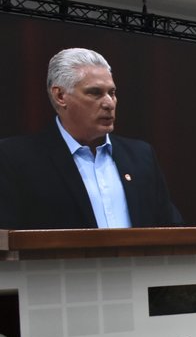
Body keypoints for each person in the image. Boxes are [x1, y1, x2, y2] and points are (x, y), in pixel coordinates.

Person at [0, 48, 182, 230]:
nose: (109, 103)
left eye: (112, 93)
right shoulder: (15, 158)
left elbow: (171, 227)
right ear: (60, 96)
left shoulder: (141, 156)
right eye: (95, 93)